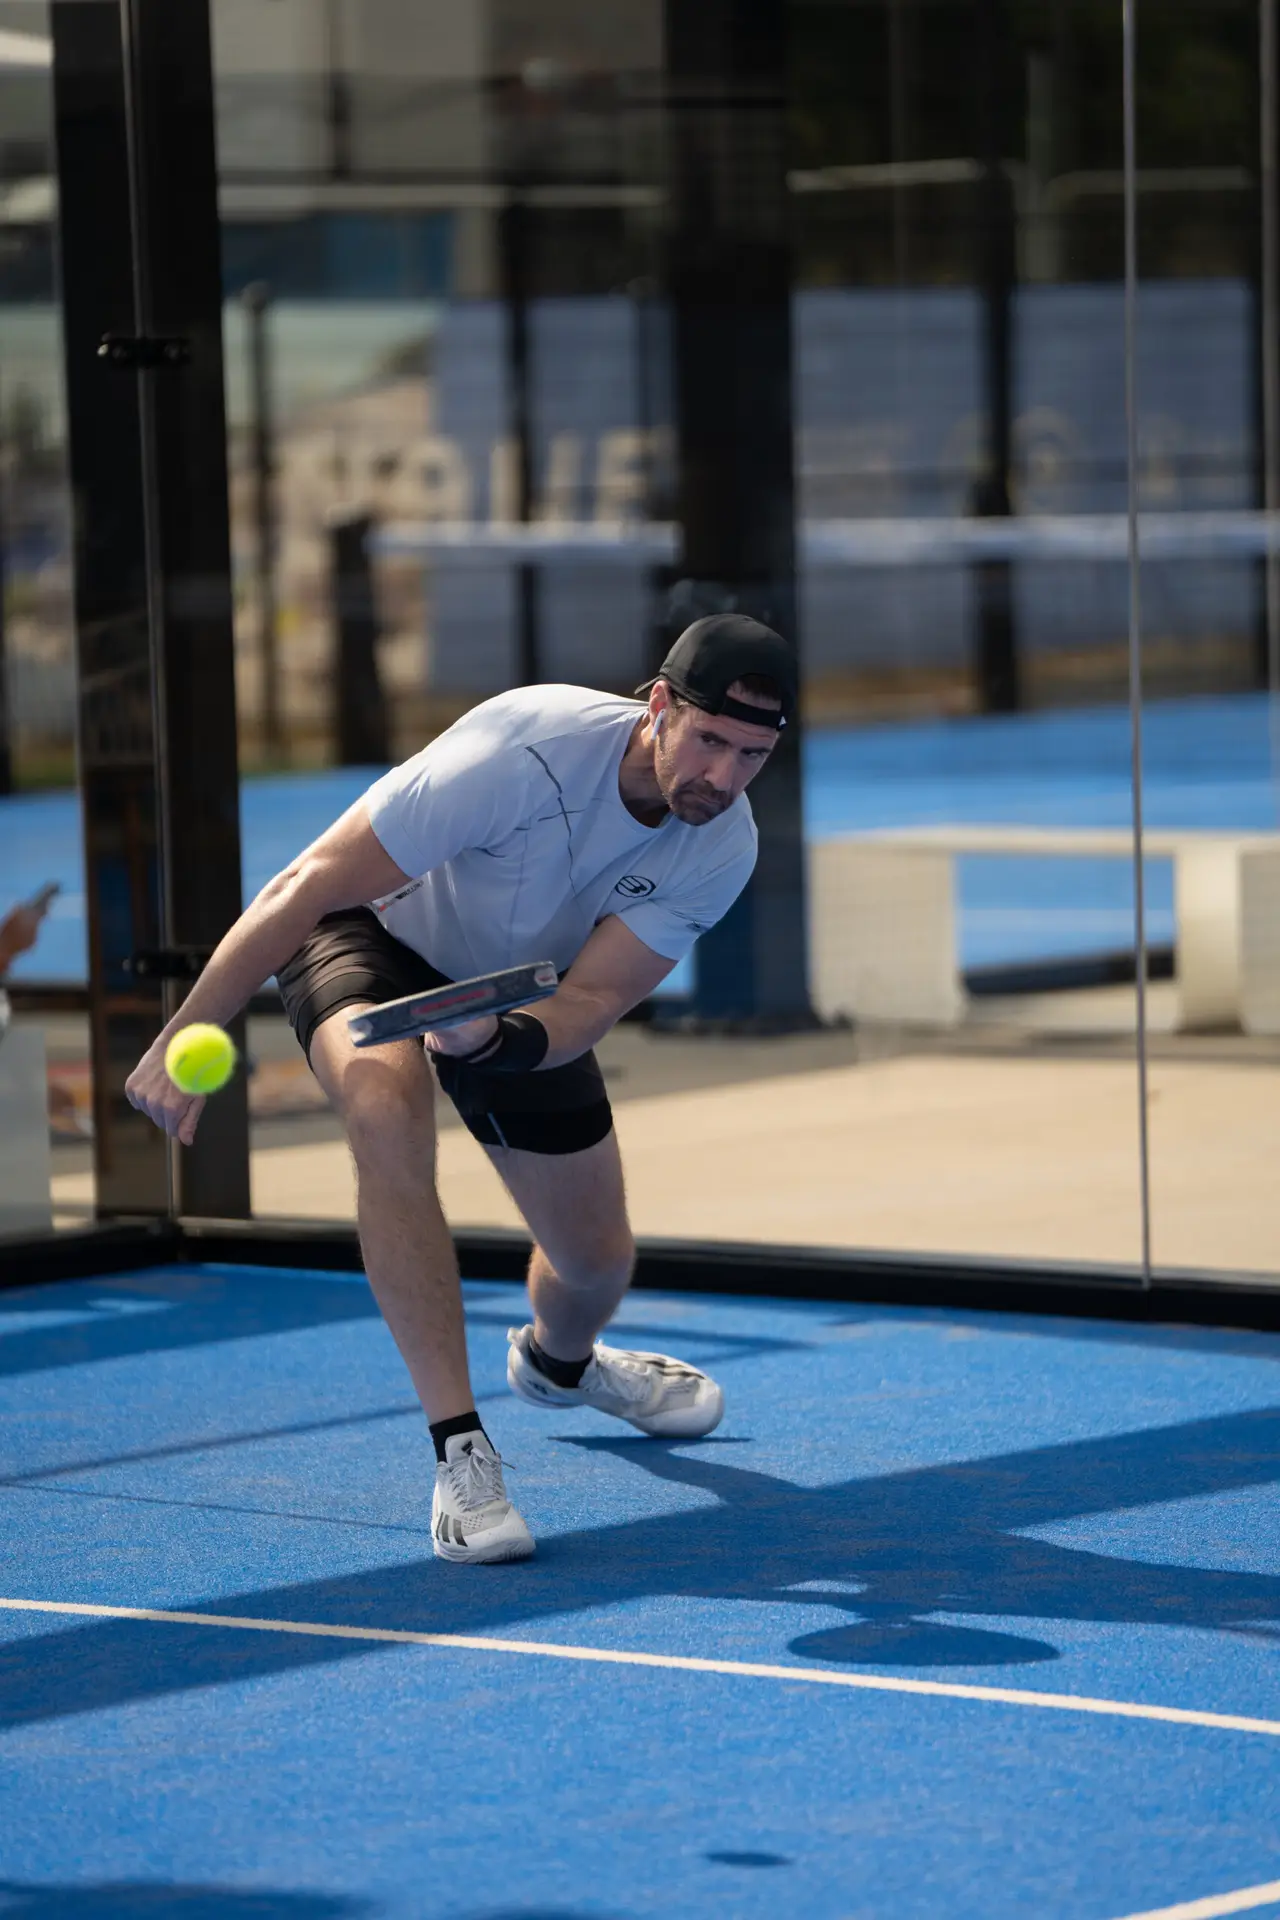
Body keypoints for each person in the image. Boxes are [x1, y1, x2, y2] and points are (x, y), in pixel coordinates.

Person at [126, 613, 796, 1564]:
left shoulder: (721, 846)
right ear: (657, 707)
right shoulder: (526, 747)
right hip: (365, 936)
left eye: (752, 755)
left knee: (598, 1262)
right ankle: (462, 1455)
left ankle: (561, 1367)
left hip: (512, 996)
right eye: (711, 742)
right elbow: (310, 880)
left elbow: (598, 994)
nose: (724, 777)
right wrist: (191, 1027)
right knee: (387, 1111)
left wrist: (502, 1036)